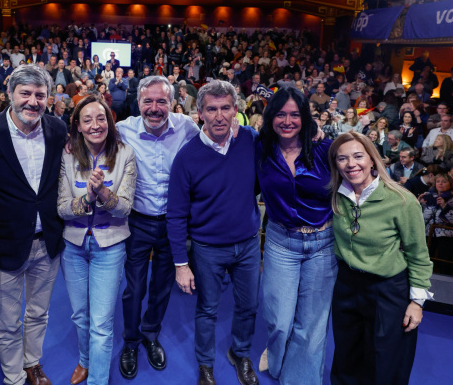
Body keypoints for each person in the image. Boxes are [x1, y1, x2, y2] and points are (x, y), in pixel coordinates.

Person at [0, 64, 67, 385]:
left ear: (49, 98)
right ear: (10, 94)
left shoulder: (57, 129)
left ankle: (32, 362)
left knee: (39, 313)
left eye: (40, 95)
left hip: (48, 241)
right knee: (8, 321)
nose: (33, 101)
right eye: (25, 93)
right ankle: (14, 377)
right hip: (5, 244)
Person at [167, 80, 261, 385]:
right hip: (208, 248)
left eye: (225, 108)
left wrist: (314, 130)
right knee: (207, 309)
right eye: (212, 109)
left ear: (235, 110)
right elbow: (176, 214)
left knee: (248, 306)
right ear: (199, 114)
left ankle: (240, 353)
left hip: (248, 244)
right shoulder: (186, 156)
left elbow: (286, 139)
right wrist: (181, 264)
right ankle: (205, 365)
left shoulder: (250, 139)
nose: (219, 116)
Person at [328, 131, 433, 385]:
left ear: (372, 159)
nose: (351, 164)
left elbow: (418, 254)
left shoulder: (401, 200)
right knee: (346, 355)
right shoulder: (334, 196)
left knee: (386, 359)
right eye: (342, 158)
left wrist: (417, 303)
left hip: (387, 289)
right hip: (346, 285)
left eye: (357, 156)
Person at [116, 75, 202, 379]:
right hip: (136, 222)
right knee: (134, 288)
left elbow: (212, 146)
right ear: (138, 103)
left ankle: (151, 334)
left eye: (161, 101)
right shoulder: (122, 130)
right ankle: (130, 340)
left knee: (162, 286)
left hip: (173, 224)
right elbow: (91, 141)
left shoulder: (187, 128)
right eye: (148, 101)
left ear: (172, 103)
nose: (155, 107)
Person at [255, 87, 335, 385]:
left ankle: (298, 379)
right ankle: (277, 360)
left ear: (305, 118)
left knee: (311, 325)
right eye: (280, 114)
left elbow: (360, 171)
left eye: (294, 114)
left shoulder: (325, 148)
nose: (287, 121)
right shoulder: (259, 147)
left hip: (322, 243)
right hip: (280, 241)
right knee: (279, 320)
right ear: (270, 117)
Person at [58, 95, 137, 385]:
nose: (95, 125)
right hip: (74, 246)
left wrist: (103, 193)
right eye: (87, 119)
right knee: (80, 316)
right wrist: (87, 197)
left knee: (102, 324)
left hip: (110, 246)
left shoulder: (125, 153)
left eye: (101, 118)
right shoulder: (66, 155)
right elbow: (62, 209)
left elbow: (125, 207)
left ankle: (98, 380)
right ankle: (85, 359)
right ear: (77, 126)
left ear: (110, 121)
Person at [419, 172, 453, 274]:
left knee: (445, 264)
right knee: (425, 262)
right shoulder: (430, 197)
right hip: (428, 234)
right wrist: (420, 205)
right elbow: (422, 218)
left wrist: (444, 207)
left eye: (444, 182)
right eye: (438, 181)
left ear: (451, 184)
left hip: (446, 235)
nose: (440, 184)